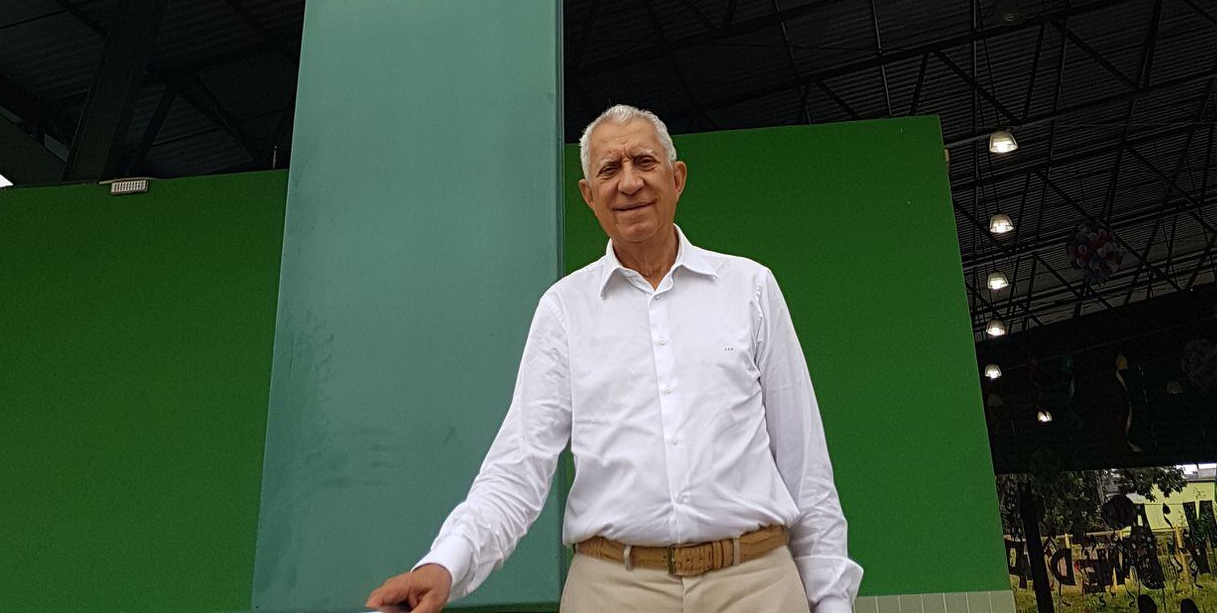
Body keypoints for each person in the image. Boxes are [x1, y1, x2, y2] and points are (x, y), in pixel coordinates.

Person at [367, 103, 860, 613]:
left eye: (644, 163)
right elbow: (518, 468)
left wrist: (831, 601)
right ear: (588, 195)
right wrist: (445, 563)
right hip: (613, 590)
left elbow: (806, 466)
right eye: (609, 169)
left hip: (755, 584)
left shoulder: (750, 288)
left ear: (677, 178)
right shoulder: (564, 310)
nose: (629, 183)